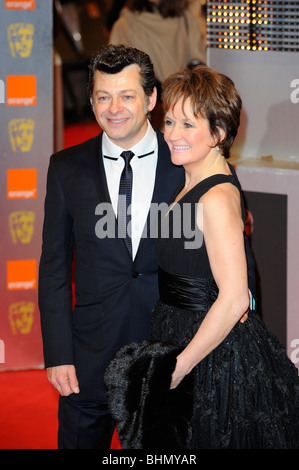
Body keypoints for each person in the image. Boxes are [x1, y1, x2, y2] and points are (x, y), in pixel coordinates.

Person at [38, 44, 185, 449]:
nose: (114, 108)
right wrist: (57, 352)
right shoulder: (66, 168)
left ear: (151, 99)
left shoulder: (186, 164)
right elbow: (52, 267)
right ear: (91, 101)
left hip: (166, 361)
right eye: (103, 96)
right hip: (86, 363)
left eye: (127, 95)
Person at [149, 65, 299, 449]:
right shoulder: (195, 177)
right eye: (169, 121)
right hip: (182, 335)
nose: (172, 134)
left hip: (211, 356)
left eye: (187, 124)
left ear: (218, 133)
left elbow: (233, 298)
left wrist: (179, 367)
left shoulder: (215, 197)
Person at [109, 0, 206, 98]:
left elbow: (197, 59)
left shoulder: (185, 18)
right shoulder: (125, 25)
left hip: (182, 96)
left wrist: (185, 88)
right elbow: (115, 71)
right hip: (145, 101)